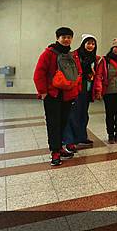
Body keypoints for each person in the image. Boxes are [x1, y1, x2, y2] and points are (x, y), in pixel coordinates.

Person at [33, 27, 82, 166]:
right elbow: (39, 74)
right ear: (57, 38)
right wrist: (43, 92)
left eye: (69, 37)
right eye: (63, 37)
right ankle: (54, 151)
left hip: (68, 95)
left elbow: (78, 74)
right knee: (53, 124)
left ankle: (60, 147)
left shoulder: (72, 55)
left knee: (63, 122)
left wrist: (76, 90)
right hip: (52, 95)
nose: (66, 39)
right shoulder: (48, 54)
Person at [62, 34, 99, 151]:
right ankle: (70, 140)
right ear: (83, 44)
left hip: (87, 90)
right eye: (88, 43)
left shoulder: (94, 58)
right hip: (76, 88)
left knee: (83, 114)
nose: (90, 46)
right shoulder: (74, 56)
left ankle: (81, 137)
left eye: (93, 44)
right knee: (73, 115)